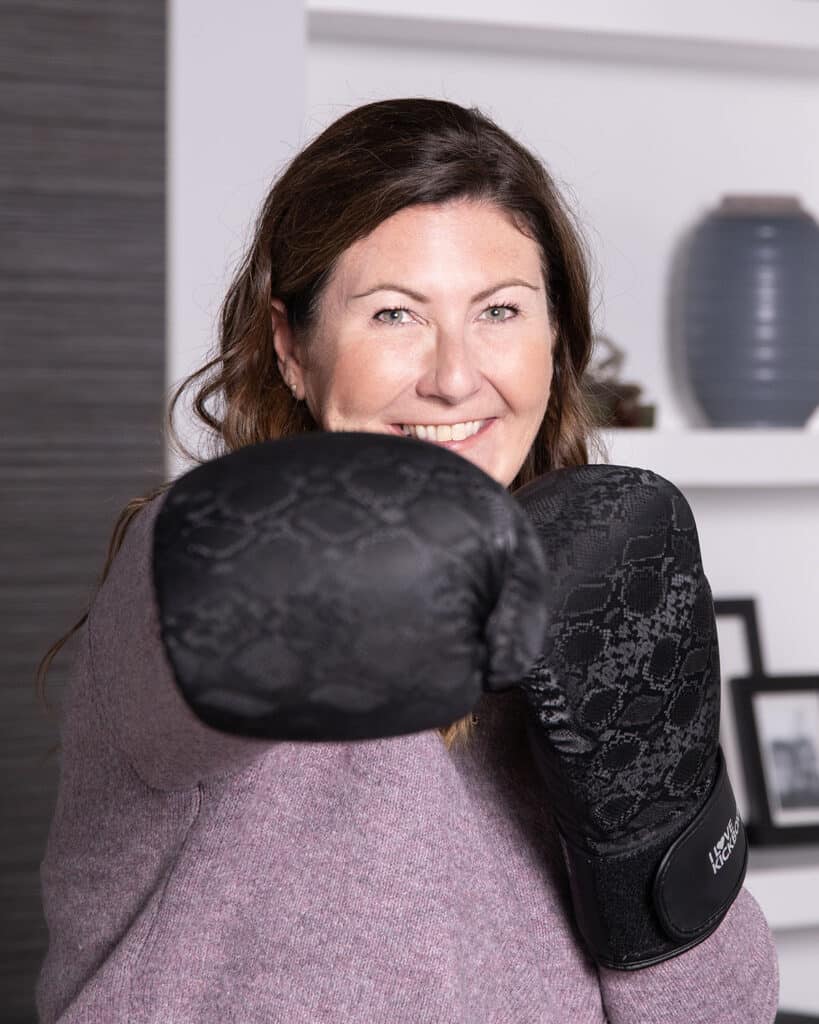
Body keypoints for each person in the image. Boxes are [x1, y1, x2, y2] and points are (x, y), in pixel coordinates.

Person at [34, 97, 779, 1022]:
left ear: (554, 339)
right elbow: (219, 606)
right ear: (291, 348)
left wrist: (651, 837)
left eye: (499, 310)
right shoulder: (200, 567)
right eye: (395, 314)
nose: (454, 377)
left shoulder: (592, 604)